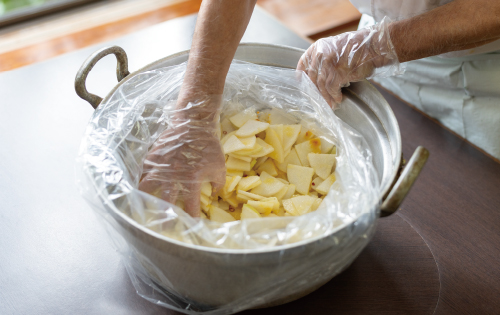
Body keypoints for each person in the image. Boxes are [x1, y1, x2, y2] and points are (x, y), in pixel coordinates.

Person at [139, 0, 500, 216]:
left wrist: (380, 46)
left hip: (489, 79)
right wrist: (193, 114)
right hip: (378, 51)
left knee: (474, 211)